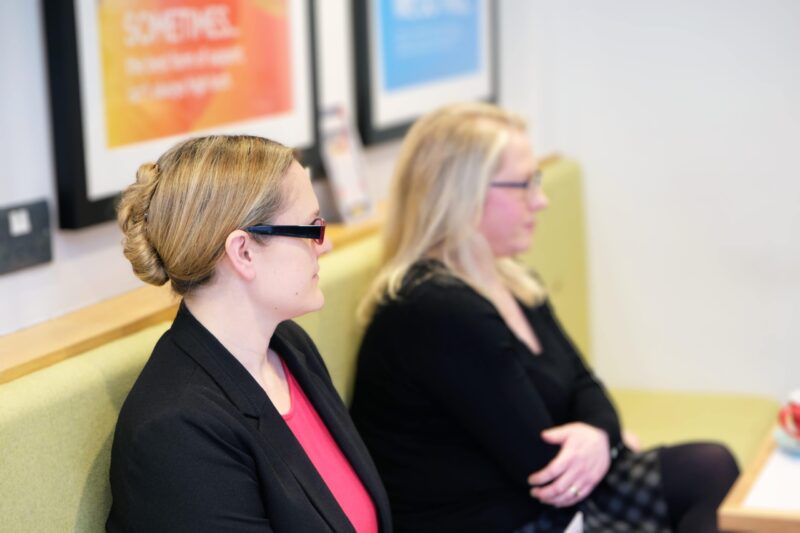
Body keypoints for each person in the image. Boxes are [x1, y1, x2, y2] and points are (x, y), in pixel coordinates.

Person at [349, 104, 738, 533]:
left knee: (710, 467)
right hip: (504, 518)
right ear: (463, 194)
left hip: (542, 501)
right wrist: (608, 442)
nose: (541, 200)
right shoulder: (435, 311)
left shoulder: (512, 281)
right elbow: (546, 468)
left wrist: (598, 436)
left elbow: (586, 385)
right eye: (525, 185)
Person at [108, 135, 391, 532]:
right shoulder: (177, 431)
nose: (324, 248)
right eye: (312, 229)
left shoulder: (290, 347)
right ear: (243, 252)